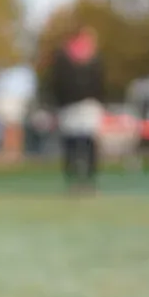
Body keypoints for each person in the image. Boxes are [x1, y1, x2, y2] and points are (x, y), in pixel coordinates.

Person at [47, 26, 106, 195]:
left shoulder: (95, 59)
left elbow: (100, 84)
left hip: (89, 106)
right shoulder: (63, 60)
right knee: (71, 144)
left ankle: (89, 180)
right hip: (69, 107)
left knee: (89, 144)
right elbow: (57, 85)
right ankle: (73, 180)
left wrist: (99, 103)